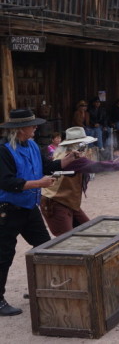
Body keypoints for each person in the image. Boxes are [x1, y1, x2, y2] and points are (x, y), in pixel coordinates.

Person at [0, 109, 77, 316]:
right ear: (19, 129)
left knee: (45, 247)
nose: (36, 127)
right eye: (31, 125)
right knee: (4, 255)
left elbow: (46, 166)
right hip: (7, 211)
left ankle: (41, 287)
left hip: (28, 207)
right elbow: (6, 182)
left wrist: (67, 160)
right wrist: (38, 183)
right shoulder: (3, 150)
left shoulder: (33, 145)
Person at [40, 127, 119, 237]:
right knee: (67, 241)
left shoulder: (66, 153)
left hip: (68, 202)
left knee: (89, 232)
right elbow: (94, 166)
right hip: (56, 203)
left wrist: (117, 163)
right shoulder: (71, 157)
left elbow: (91, 164)